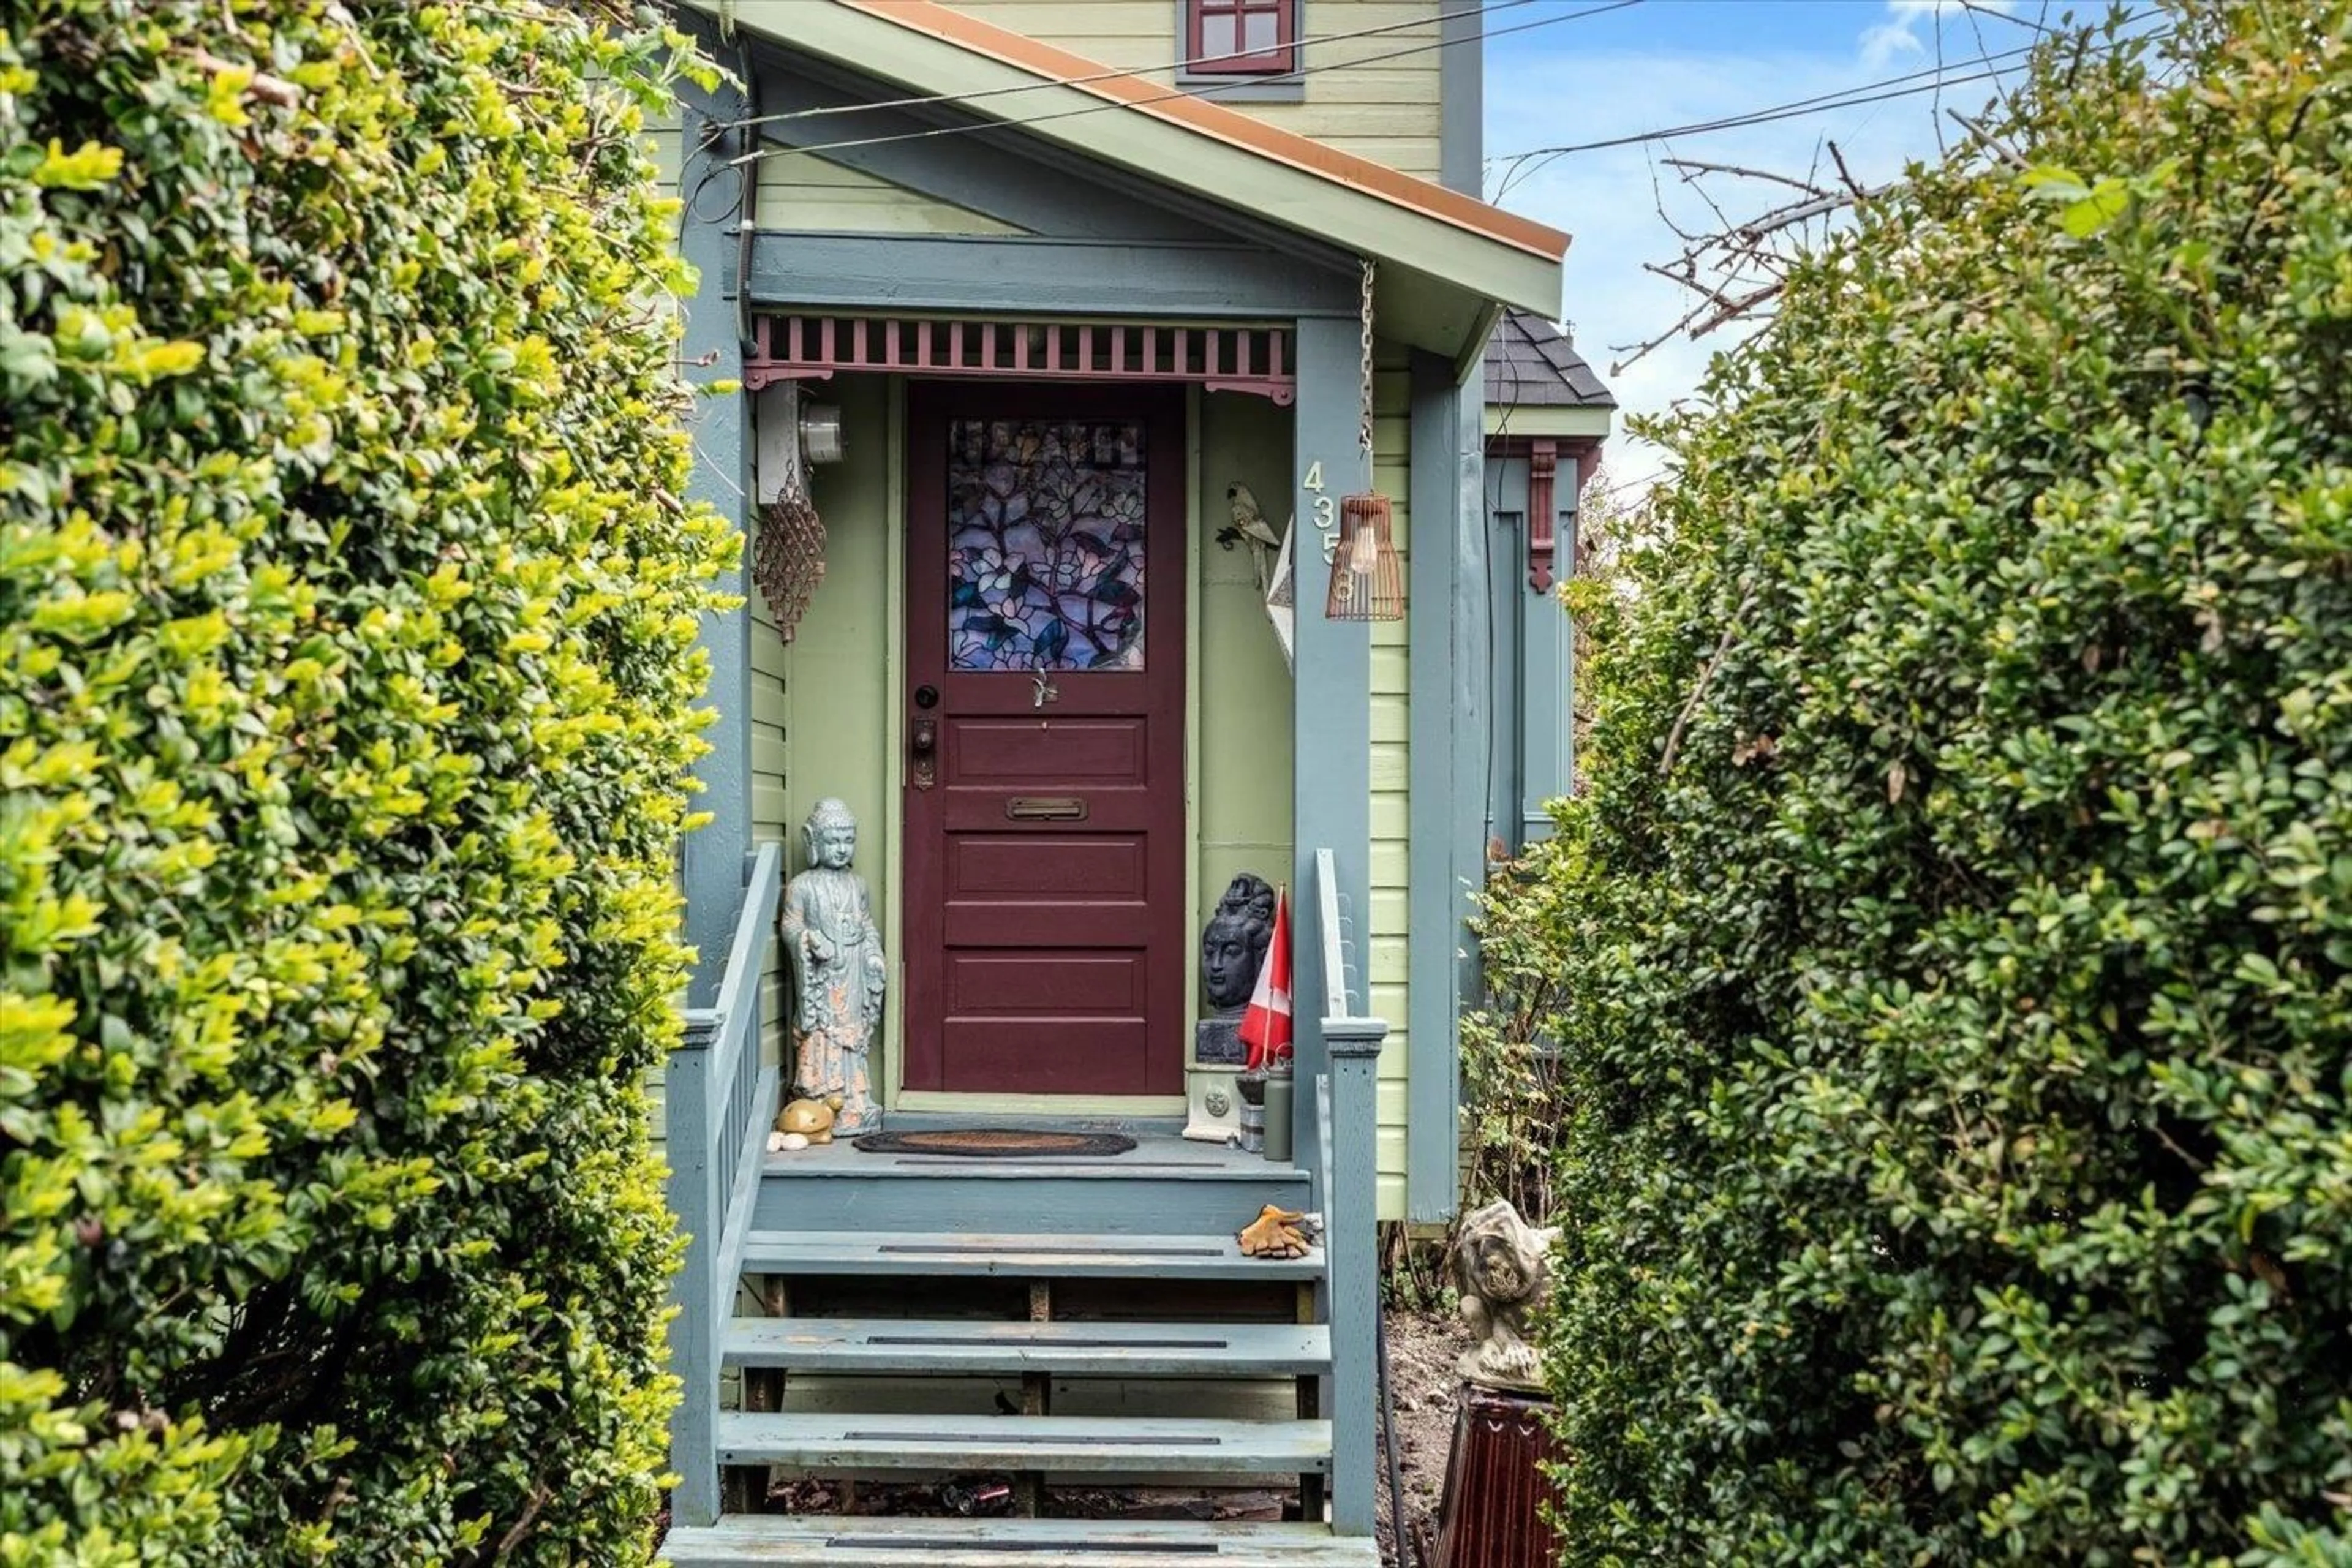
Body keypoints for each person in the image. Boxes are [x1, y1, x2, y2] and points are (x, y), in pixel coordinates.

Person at [781, 798, 886, 1134]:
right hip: (822, 976)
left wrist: (873, 953)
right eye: (833, 841)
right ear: (814, 842)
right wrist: (808, 940)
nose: (842, 849)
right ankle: (821, 1099)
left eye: (848, 840)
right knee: (823, 1036)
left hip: (852, 972)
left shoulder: (858, 886)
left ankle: (854, 1100)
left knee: (851, 1040)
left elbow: (866, 923)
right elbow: (790, 926)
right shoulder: (802, 886)